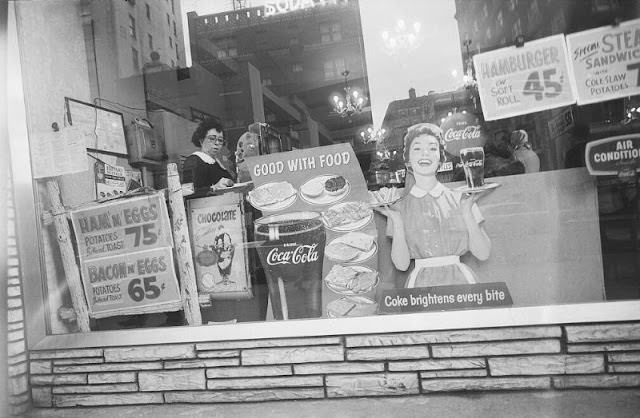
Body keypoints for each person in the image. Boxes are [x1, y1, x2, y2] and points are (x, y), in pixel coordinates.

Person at [378, 123, 491, 287]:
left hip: (462, 284)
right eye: (417, 148)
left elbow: (483, 253)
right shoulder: (398, 208)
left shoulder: (463, 199)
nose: (425, 153)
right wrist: (397, 222)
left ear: (441, 157)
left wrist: (467, 213)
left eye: (432, 148)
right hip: (420, 287)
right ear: (408, 158)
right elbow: (401, 265)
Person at [183, 118, 235, 197]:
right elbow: (187, 193)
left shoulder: (218, 162)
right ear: (201, 140)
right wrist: (214, 188)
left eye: (220, 140)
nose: (217, 143)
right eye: (212, 139)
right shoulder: (194, 161)